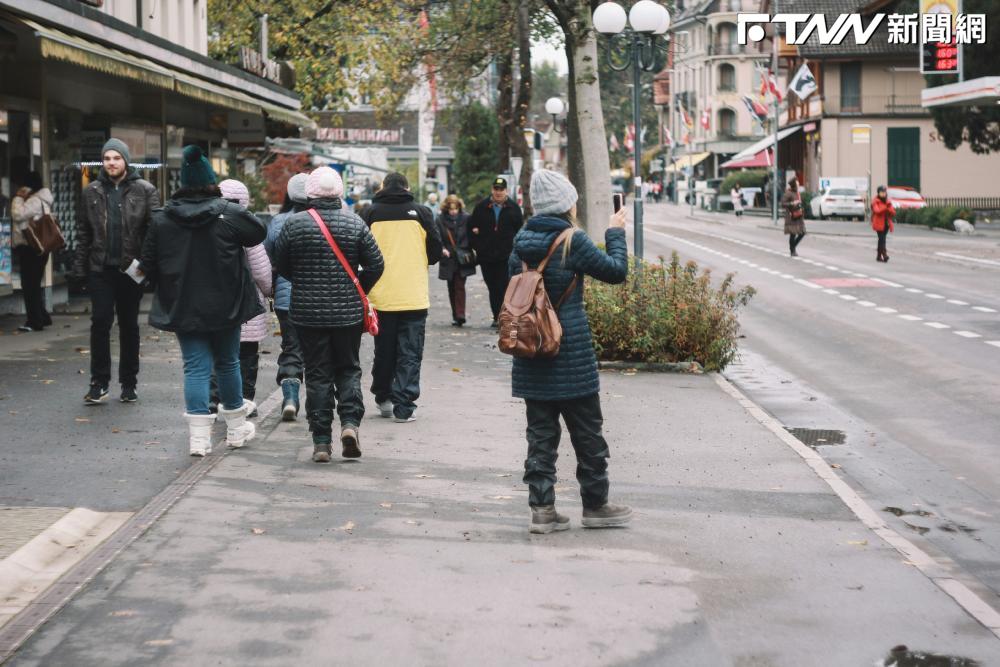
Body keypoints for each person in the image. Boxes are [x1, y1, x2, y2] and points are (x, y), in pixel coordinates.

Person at [508, 169, 633, 534]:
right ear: (566, 204)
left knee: (540, 437)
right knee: (588, 434)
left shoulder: (520, 241)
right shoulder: (570, 240)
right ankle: (596, 506)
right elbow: (616, 272)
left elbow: (511, 288)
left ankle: (542, 510)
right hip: (571, 352)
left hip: (531, 351)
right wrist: (615, 232)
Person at [139, 145, 266, 456]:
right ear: (211, 181)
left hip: (183, 303)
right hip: (226, 304)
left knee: (195, 367)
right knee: (228, 362)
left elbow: (147, 262)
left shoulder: (163, 219)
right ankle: (236, 430)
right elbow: (258, 233)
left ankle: (199, 440)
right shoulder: (229, 213)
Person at [274, 167, 384, 463]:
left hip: (307, 313)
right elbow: (376, 264)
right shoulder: (355, 223)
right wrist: (357, 286)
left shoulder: (295, 224)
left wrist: (303, 281)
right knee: (348, 368)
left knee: (318, 374)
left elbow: (281, 262)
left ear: (310, 192)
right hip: (347, 314)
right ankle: (349, 425)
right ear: (338, 192)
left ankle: (321, 441)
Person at [74, 138, 158, 404]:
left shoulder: (144, 190)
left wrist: (148, 265)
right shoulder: (92, 191)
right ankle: (99, 382)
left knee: (129, 326)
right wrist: (79, 268)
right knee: (100, 322)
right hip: (100, 269)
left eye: (116, 158)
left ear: (125, 160)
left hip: (132, 270)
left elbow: (155, 231)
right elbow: (83, 232)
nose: (111, 163)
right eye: (107, 158)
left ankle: (129, 383)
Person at [361, 172, 441, 423]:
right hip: (413, 294)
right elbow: (436, 251)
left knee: (384, 350)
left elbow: (358, 249)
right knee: (410, 351)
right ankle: (404, 406)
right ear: (407, 188)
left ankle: (383, 397)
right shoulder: (422, 213)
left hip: (380, 295)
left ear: (382, 188)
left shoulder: (370, 213)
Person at [217, 179, 272, 416]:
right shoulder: (248, 228)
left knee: (220, 354)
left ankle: (219, 399)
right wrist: (268, 291)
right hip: (247, 304)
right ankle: (245, 400)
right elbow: (261, 271)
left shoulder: (210, 224)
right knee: (247, 355)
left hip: (217, 302)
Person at [264, 173, 309, 421]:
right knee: (318, 351)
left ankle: (290, 397)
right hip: (321, 298)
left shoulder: (278, 221)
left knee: (291, 347)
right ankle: (317, 402)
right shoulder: (326, 218)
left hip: (286, 298)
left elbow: (268, 259)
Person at [468, 177, 523, 327]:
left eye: (501, 189)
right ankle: (497, 316)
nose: (498, 192)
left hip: (506, 256)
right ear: (492, 190)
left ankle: (504, 316)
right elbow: (471, 228)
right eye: (496, 189)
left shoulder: (513, 208)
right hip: (486, 256)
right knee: (492, 287)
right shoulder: (481, 207)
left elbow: (520, 231)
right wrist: (477, 246)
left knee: (504, 286)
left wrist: (517, 251)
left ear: (506, 191)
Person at [10, 171, 53, 332]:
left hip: (32, 247)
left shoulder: (35, 200)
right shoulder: (41, 199)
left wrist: (18, 198)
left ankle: (35, 321)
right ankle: (42, 316)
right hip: (38, 247)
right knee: (33, 284)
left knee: (29, 285)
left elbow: (18, 214)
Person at [436, 194, 475, 327]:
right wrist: (441, 249)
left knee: (459, 286)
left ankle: (460, 314)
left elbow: (471, 235)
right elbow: (437, 237)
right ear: (446, 208)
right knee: (451, 286)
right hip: (448, 258)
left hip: (462, 257)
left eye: (456, 208)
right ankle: (455, 314)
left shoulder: (466, 218)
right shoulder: (440, 220)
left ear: (459, 207)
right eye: (451, 209)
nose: (453, 211)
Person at [871, 185, 896, 263]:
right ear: (878, 193)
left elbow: (893, 212)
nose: (883, 194)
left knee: (882, 240)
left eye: (884, 192)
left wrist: (889, 210)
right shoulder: (875, 201)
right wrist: (885, 208)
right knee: (882, 239)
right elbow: (877, 211)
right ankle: (884, 254)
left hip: (886, 224)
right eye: (881, 192)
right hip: (878, 223)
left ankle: (879, 256)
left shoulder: (888, 202)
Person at [782, 179, 806, 256]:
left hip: (799, 215)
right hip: (791, 216)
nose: (798, 184)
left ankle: (792, 247)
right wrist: (792, 203)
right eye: (797, 183)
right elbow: (783, 203)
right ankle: (793, 251)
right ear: (794, 185)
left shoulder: (797, 193)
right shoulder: (788, 193)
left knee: (802, 233)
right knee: (793, 234)